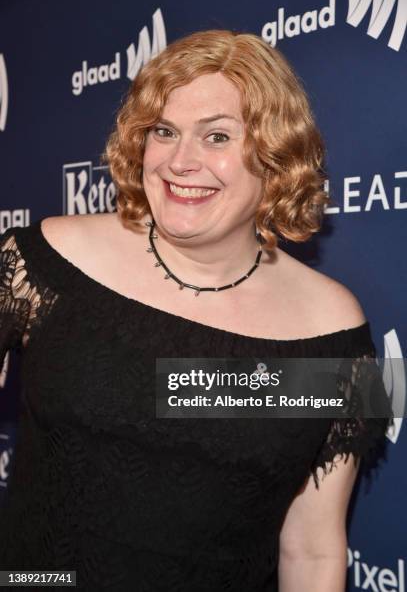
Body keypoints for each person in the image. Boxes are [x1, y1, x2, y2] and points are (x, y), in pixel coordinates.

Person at [0, 29, 391, 591]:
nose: (181, 161)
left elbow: (310, 550)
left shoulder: (333, 326)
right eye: (164, 131)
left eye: (216, 137)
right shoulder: (45, 258)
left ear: (275, 155)